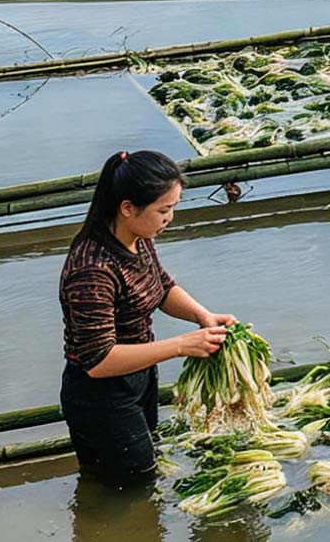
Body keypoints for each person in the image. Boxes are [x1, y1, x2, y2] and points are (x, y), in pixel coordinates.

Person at [59, 150, 236, 486]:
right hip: (101, 394)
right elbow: (98, 360)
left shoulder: (137, 238)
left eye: (173, 208)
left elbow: (160, 286)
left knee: (140, 475)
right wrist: (182, 345)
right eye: (164, 210)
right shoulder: (92, 269)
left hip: (138, 377)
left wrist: (202, 315)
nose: (169, 218)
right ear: (128, 208)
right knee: (129, 485)